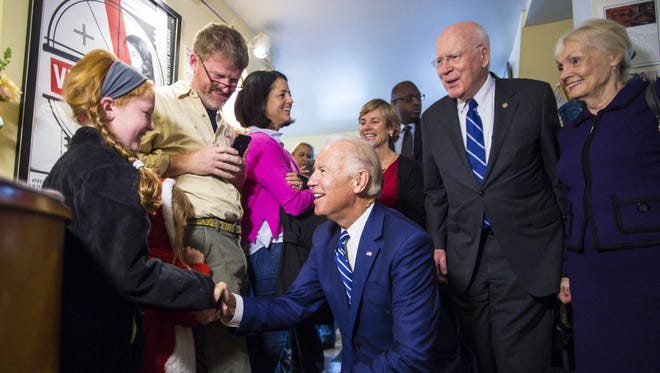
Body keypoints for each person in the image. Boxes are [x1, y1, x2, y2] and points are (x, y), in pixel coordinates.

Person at [42, 49, 221, 372]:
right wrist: (203, 287)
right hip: (98, 347)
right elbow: (131, 273)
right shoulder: (109, 171)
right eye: (146, 113)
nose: (151, 125)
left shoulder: (67, 166)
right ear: (109, 108)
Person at [217, 135, 442, 372]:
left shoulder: (408, 244)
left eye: (322, 171)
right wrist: (235, 308)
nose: (310, 181)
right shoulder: (326, 236)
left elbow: (412, 356)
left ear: (359, 181)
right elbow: (295, 304)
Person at [422, 21, 564, 372]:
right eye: (438, 61)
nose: (445, 69)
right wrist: (438, 243)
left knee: (524, 361)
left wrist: (569, 261)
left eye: (453, 57)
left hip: (527, 256)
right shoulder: (432, 118)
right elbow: (434, 190)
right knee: (477, 360)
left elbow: (558, 180)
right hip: (464, 261)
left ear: (483, 55)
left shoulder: (534, 97)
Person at [139, 23, 251, 372]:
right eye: (218, 76)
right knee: (228, 359)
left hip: (230, 241)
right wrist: (186, 161)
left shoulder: (226, 125)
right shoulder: (161, 101)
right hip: (197, 237)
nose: (226, 87)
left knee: (215, 353)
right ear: (193, 60)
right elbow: (130, 161)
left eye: (234, 81)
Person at [554, 18, 660, 372]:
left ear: (613, 55)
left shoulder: (650, 106)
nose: (565, 73)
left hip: (646, 266)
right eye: (561, 66)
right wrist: (566, 271)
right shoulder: (570, 131)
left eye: (575, 60)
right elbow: (569, 204)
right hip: (590, 273)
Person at [234, 70, 322, 372]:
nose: (290, 100)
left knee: (282, 341)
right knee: (275, 342)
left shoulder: (276, 147)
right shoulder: (262, 144)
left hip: (276, 249)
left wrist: (306, 182)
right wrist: (314, 187)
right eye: (281, 94)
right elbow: (296, 203)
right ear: (261, 102)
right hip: (271, 250)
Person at [142, 178, 211, 373]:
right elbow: (189, 311)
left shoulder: (143, 256)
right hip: (162, 358)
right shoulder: (168, 262)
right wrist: (199, 267)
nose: (184, 223)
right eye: (181, 217)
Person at [358, 98, 425, 227]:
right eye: (362, 122)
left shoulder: (409, 168)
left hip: (398, 242)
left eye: (374, 121)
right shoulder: (355, 168)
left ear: (390, 128)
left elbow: (417, 218)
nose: (366, 127)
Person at [391, 81, 424, 165]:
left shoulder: (429, 129)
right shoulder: (385, 135)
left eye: (418, 97)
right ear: (393, 105)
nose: (417, 102)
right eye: (408, 99)